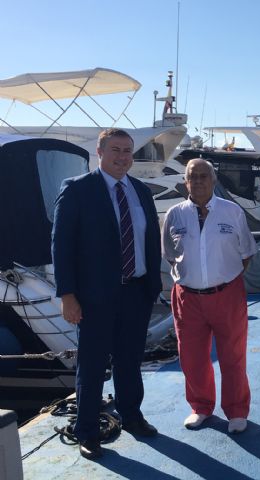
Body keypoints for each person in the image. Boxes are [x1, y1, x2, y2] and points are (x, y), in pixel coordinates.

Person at [52, 128, 163, 460]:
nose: (122, 156)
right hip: (94, 298)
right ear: (99, 153)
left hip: (136, 293)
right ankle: (88, 431)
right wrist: (67, 295)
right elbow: (61, 245)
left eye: (128, 151)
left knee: (130, 361)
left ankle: (131, 416)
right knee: (92, 365)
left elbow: (148, 240)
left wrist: (151, 287)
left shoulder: (141, 191)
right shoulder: (78, 190)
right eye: (115, 149)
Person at [162, 158, 257, 433]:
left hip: (227, 294)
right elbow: (170, 254)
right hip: (187, 298)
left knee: (233, 356)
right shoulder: (174, 215)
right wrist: (196, 278)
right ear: (185, 182)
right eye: (193, 176)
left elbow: (246, 253)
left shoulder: (232, 212)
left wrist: (221, 277)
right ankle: (201, 407)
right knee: (191, 357)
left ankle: (237, 410)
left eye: (204, 176)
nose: (199, 181)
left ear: (213, 181)